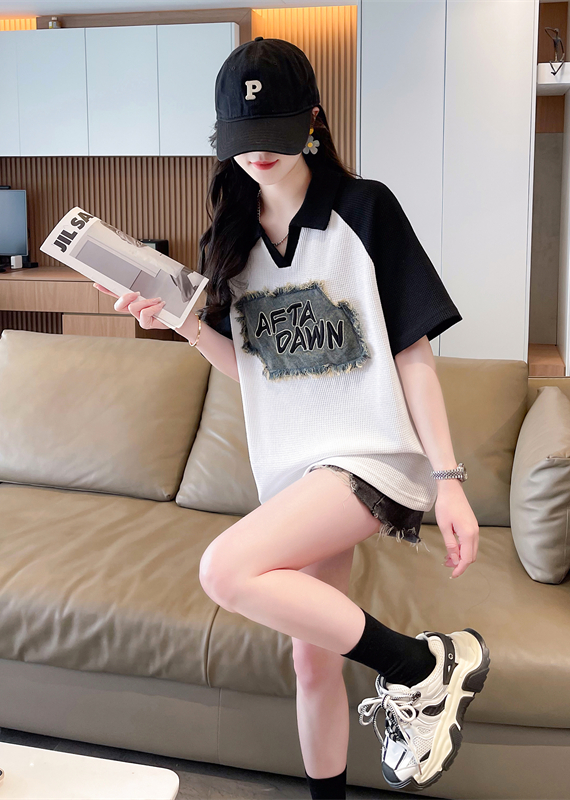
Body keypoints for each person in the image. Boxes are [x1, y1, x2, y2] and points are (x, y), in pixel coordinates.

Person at [94, 36, 490, 800]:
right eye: (244, 140)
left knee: (224, 569)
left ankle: (422, 665)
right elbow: (251, 367)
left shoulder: (364, 210)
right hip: (295, 470)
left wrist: (448, 479)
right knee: (312, 660)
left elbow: (413, 353)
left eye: (275, 134)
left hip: (370, 457)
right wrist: (184, 325)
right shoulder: (230, 239)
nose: (259, 154)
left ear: (311, 121)